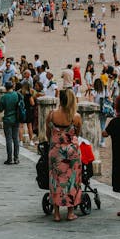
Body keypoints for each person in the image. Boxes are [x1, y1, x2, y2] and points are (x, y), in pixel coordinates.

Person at [45, 89, 84, 222]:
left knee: (55, 181)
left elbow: (47, 133)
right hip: (71, 152)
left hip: (55, 152)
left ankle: (56, 213)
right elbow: (77, 133)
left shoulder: (51, 115)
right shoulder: (76, 117)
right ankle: (70, 212)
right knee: (72, 181)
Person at [0, 82, 21, 165]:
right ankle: (16, 158)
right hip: (16, 118)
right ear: (13, 86)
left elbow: (0, 109)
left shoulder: (4, 97)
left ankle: (9, 158)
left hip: (7, 119)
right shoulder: (17, 95)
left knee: (8, 139)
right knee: (16, 138)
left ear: (5, 88)